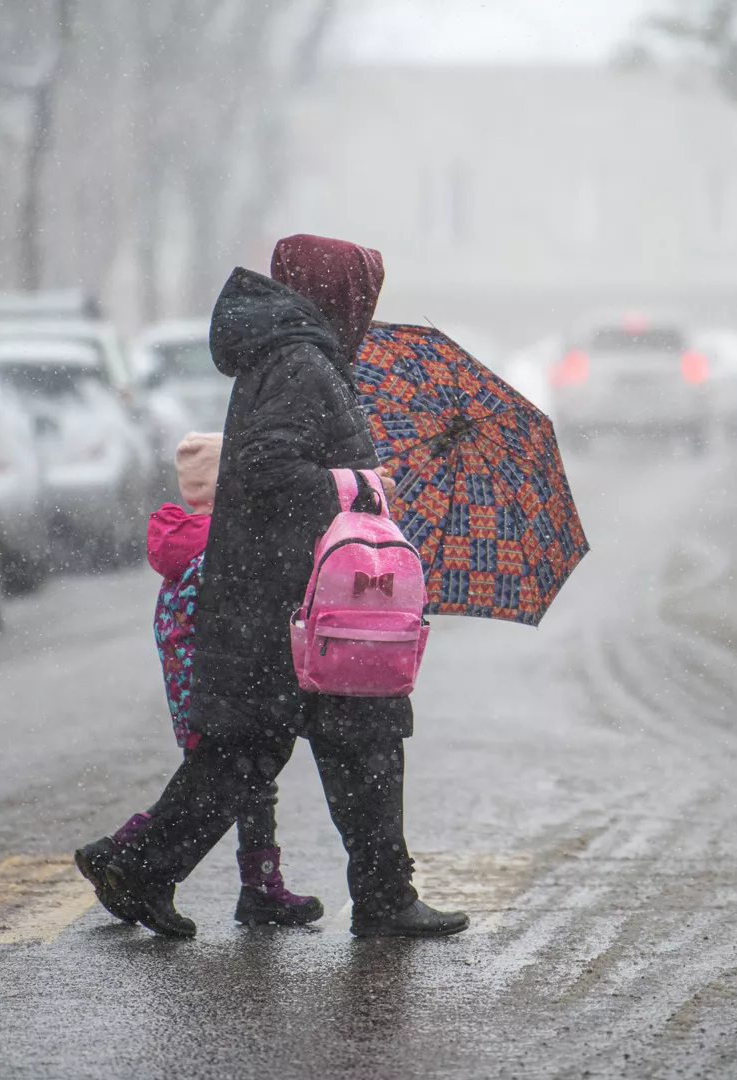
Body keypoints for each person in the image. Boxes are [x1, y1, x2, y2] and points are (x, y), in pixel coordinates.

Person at [91, 234, 469, 939]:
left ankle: (141, 866)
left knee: (281, 747)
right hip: (294, 600)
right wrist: (357, 483)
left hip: (284, 593)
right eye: (362, 294)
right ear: (337, 294)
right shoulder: (300, 362)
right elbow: (266, 473)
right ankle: (377, 897)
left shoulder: (295, 356)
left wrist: (365, 475)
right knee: (332, 742)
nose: (365, 309)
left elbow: (283, 465)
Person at [74, 432, 323, 927]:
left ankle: (260, 887)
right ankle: (132, 858)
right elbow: (228, 629)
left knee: (243, 782)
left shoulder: (190, 540)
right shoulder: (221, 552)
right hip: (218, 692)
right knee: (222, 782)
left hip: (194, 689)